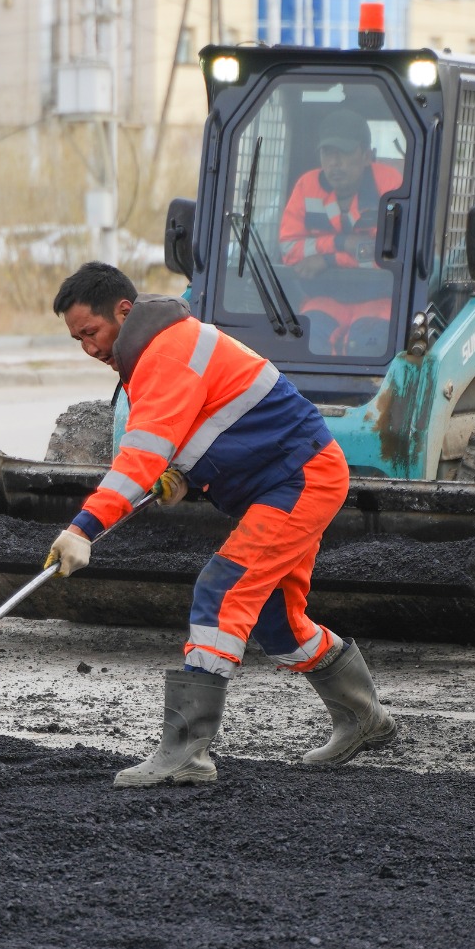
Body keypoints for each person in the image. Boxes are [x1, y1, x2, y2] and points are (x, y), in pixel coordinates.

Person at [46, 262, 396, 787]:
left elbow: (139, 455)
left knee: (222, 584)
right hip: (284, 480)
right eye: (78, 339)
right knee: (280, 626)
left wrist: (84, 528)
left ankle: (187, 751)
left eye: (90, 333)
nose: (88, 349)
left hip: (299, 480)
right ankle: (366, 718)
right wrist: (186, 477)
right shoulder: (159, 352)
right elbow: (212, 424)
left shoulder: (166, 353)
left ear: (122, 311)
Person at [277, 109, 402, 357]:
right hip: (322, 298)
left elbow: (390, 256)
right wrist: (341, 243)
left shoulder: (390, 185)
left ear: (366, 155)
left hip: (379, 301)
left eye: (343, 152)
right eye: (327, 153)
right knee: (304, 347)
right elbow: (289, 250)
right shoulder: (307, 185)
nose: (334, 163)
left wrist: (328, 260)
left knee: (368, 347)